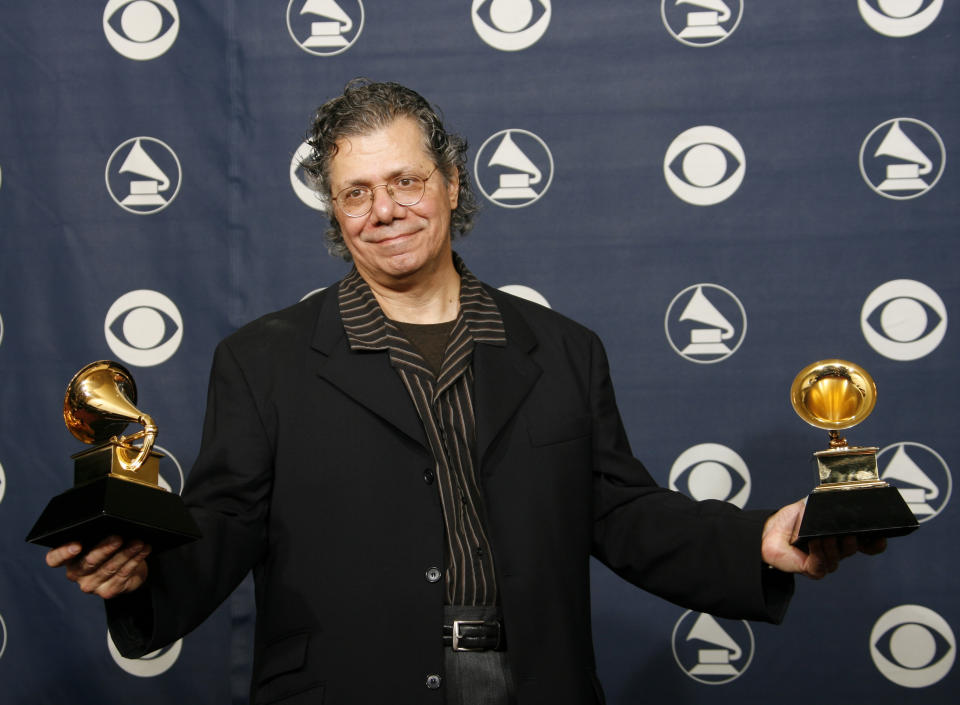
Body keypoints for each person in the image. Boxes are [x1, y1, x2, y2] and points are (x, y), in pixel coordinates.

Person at [46, 79, 883, 705]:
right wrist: (140, 571)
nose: (386, 210)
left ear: (452, 181)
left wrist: (756, 544)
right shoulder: (263, 360)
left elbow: (622, 511)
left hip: (535, 685)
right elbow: (224, 519)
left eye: (406, 181)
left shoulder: (562, 350)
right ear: (335, 214)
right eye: (357, 193)